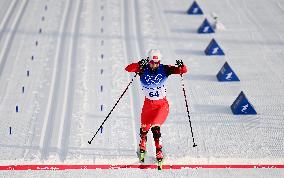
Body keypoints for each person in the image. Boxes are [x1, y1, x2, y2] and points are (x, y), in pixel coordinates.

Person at [125, 49, 187, 162]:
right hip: (148, 105)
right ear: (148, 60)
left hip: (161, 105)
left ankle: (159, 150)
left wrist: (181, 66)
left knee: (155, 127)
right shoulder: (143, 68)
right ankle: (142, 145)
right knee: (144, 128)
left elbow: (182, 70)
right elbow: (128, 68)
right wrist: (139, 64)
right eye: (152, 62)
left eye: (157, 62)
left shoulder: (164, 68)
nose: (155, 65)